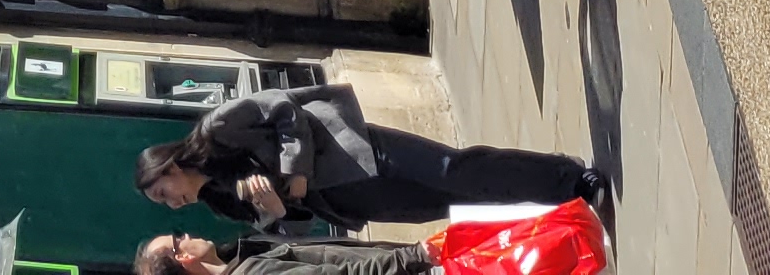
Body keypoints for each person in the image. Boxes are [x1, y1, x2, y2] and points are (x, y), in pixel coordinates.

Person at [137, 88, 605, 228]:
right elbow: (289, 230)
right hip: (352, 200)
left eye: (165, 194)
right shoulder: (222, 201)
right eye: (164, 204)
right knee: (452, 206)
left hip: (353, 151)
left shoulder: (218, 129)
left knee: (456, 171)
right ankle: (557, 204)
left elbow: (282, 108)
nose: (172, 202)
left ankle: (566, 177)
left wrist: (294, 173)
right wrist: (278, 211)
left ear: (170, 167)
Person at [140, 237, 430, 275]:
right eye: (179, 238)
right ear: (182, 258)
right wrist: (417, 256)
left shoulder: (242, 258)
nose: (188, 236)